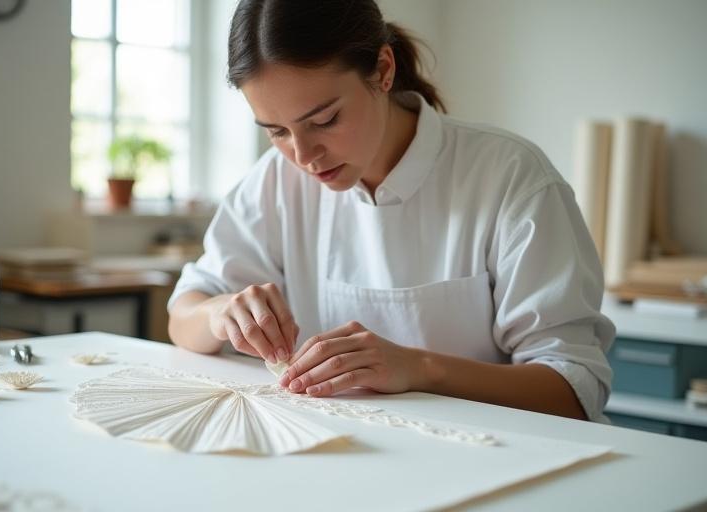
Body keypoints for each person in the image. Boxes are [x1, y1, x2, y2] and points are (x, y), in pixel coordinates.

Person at [168, 0, 615, 422]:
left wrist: (418, 368)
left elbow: (574, 391)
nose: (304, 156)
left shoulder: (510, 175)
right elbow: (182, 317)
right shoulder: (274, 182)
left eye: (323, 121)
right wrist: (221, 312)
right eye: (277, 131)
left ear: (383, 70)